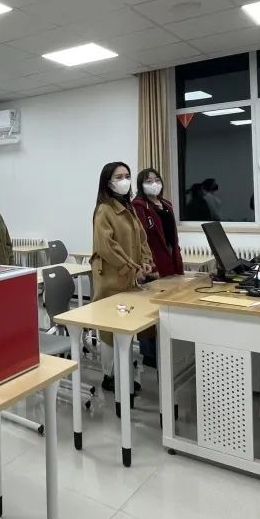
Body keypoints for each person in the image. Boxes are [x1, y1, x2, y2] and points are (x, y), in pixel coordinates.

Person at [91, 162, 153, 392]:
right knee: (110, 328)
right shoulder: (104, 210)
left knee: (124, 326)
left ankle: (123, 373)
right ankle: (110, 376)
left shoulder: (128, 207)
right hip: (111, 276)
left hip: (129, 276)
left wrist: (145, 261)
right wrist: (131, 265)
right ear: (108, 182)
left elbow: (142, 239)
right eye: (119, 177)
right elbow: (107, 246)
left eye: (127, 175)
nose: (124, 180)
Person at [131, 168, 182, 368]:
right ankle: (149, 354)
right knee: (150, 310)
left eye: (156, 179)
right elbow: (140, 239)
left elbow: (172, 235)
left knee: (166, 307)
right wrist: (149, 265)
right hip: (152, 262)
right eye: (148, 180)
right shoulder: (138, 206)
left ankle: (166, 348)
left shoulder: (166, 204)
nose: (154, 183)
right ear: (141, 185)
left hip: (170, 257)